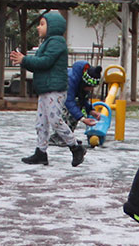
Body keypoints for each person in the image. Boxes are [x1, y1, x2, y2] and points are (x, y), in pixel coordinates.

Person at [9, 11, 87, 167]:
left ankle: (75, 147)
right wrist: (24, 61)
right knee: (41, 122)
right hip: (46, 88)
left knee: (55, 120)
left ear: (53, 26)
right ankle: (41, 152)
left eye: (42, 24)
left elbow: (45, 62)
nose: (38, 27)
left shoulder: (56, 42)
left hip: (54, 89)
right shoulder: (48, 42)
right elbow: (40, 64)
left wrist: (24, 60)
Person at [61, 60, 102, 136]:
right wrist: (82, 118)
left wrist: (90, 110)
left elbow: (83, 99)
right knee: (68, 111)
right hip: (54, 95)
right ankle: (60, 136)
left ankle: (68, 135)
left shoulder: (81, 82)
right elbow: (69, 101)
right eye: (90, 87)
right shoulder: (70, 81)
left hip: (64, 97)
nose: (91, 89)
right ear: (85, 83)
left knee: (78, 106)